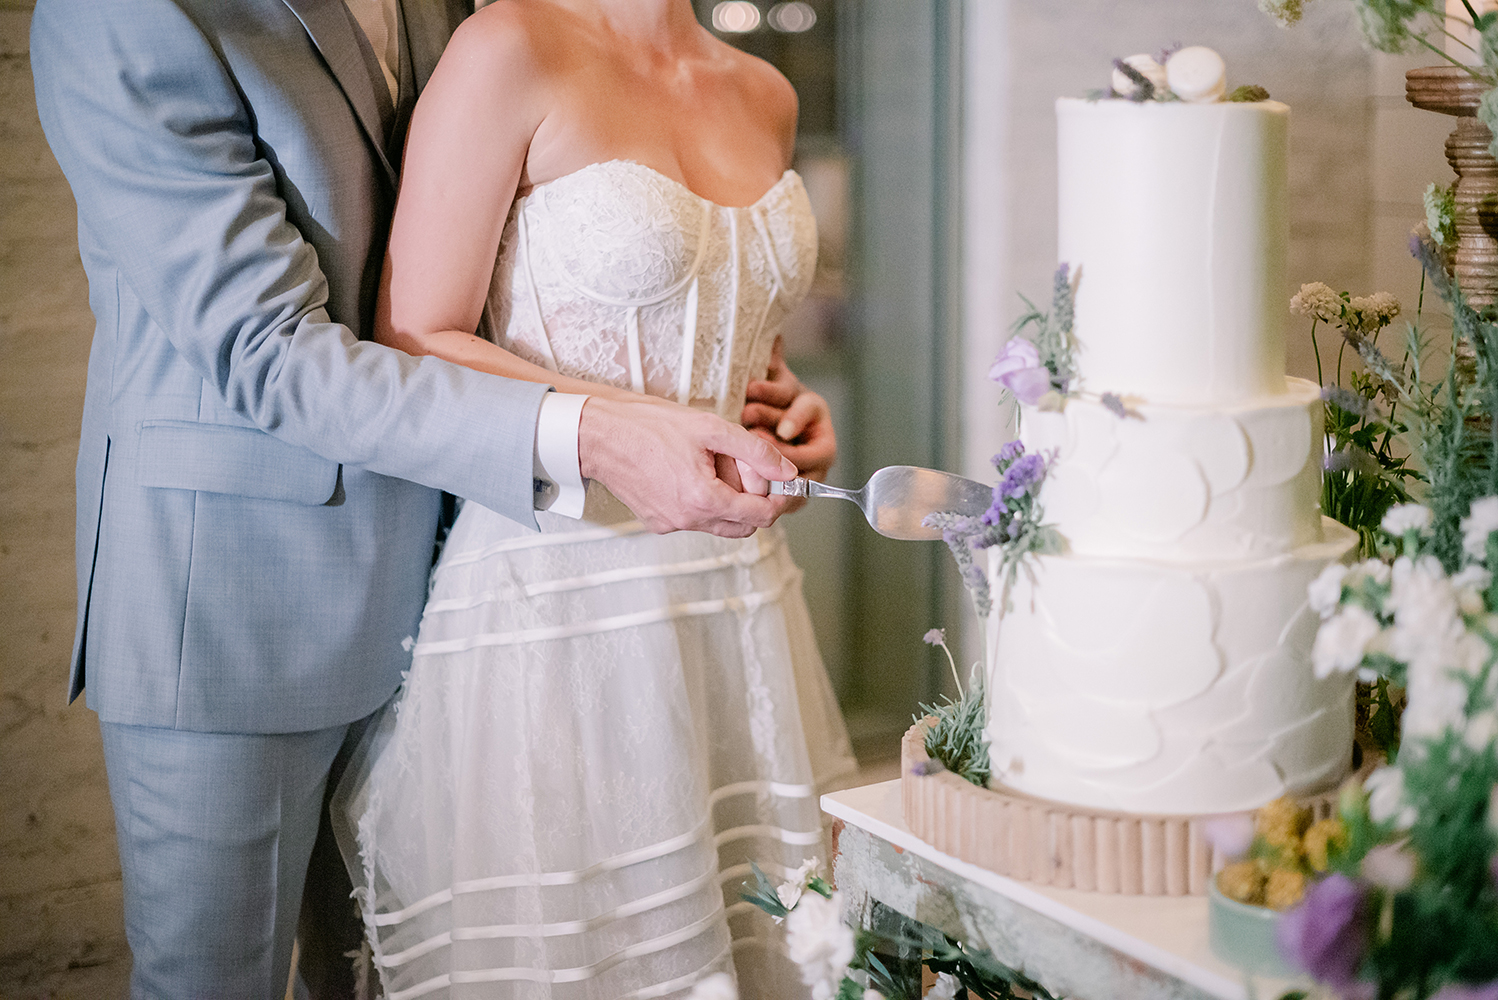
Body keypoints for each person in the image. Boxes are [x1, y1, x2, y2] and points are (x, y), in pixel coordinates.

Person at [27, 0, 837, 995]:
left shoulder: (455, 7)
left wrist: (756, 404)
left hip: (465, 574)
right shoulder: (132, 15)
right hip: (239, 595)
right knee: (212, 979)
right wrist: (590, 433)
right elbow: (268, 354)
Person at [331, 0, 858, 996]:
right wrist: (632, 430)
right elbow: (415, 336)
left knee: (763, 949)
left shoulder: (766, 91)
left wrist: (788, 415)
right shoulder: (509, 49)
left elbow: (738, 341)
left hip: (740, 604)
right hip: (560, 594)